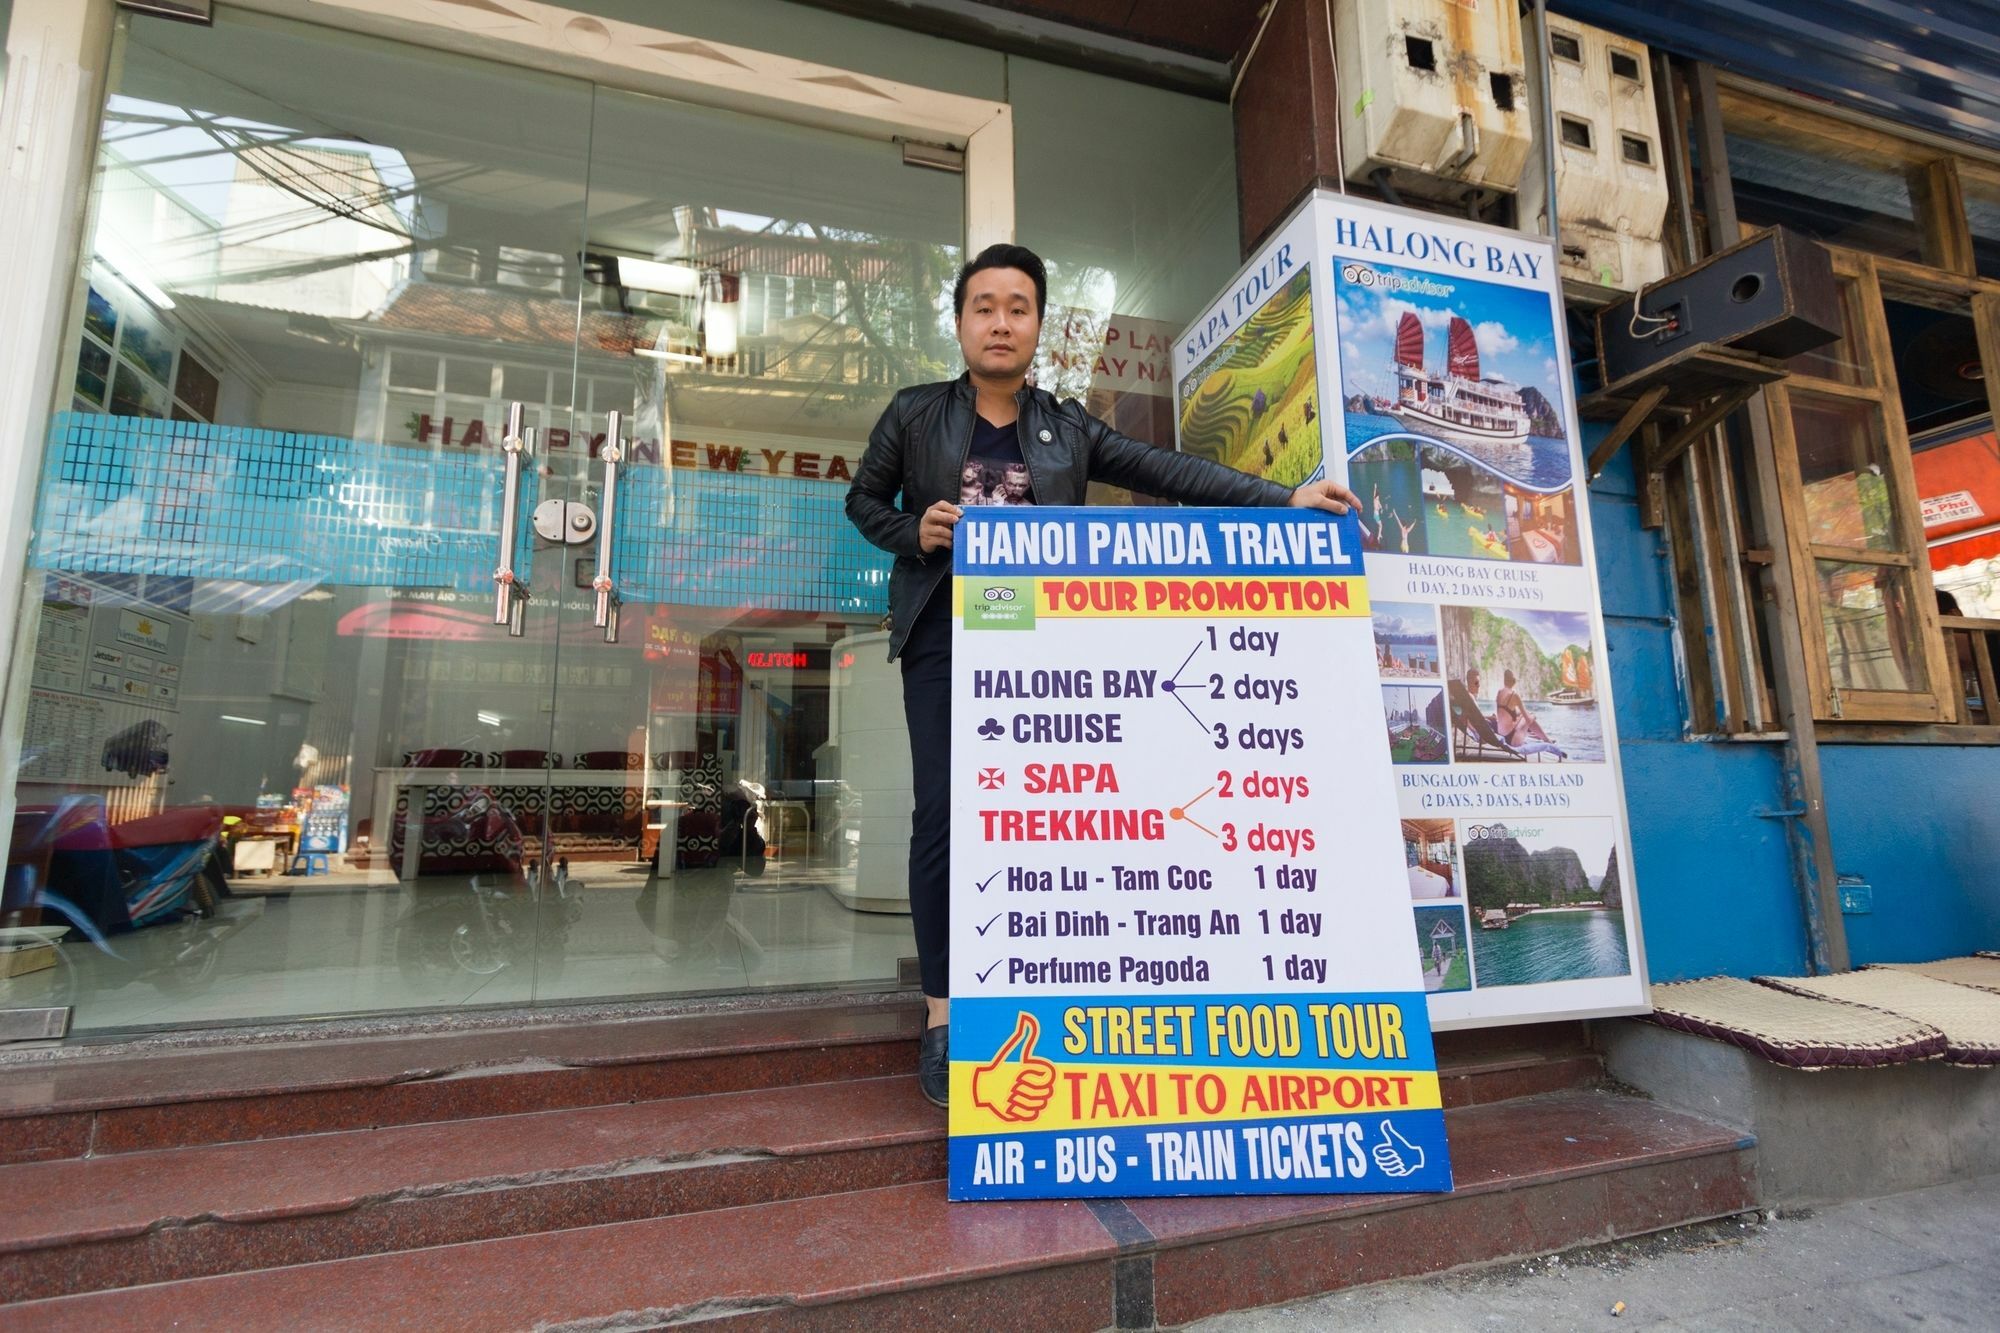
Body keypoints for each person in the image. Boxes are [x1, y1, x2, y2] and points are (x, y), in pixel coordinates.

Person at [844, 243, 1360, 1108]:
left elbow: (1171, 471)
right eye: (984, 306)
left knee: (1047, 822)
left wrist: (1284, 499)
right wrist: (914, 532)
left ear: (1039, 323)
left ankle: (1038, 991)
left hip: (1044, 649)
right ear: (961, 321)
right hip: (943, 637)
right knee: (942, 813)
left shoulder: (1068, 427)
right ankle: (943, 1014)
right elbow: (862, 502)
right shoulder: (914, 414)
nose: (1000, 321)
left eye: (1017, 306)